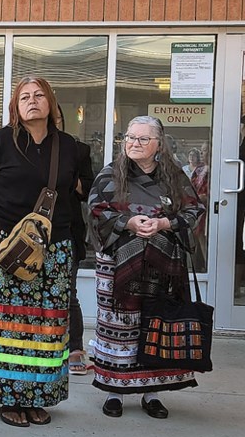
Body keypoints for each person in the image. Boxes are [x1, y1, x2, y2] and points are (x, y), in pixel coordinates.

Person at [0, 76, 79, 427]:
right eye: (24, 97)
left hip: (54, 250)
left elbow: (75, 197)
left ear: (52, 103)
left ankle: (38, 397)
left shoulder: (71, 146)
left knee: (47, 326)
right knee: (8, 325)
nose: (32, 101)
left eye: (39, 95)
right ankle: (10, 398)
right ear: (15, 106)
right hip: (5, 251)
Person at [87, 116, 205, 419]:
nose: (134, 144)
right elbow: (95, 209)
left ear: (158, 145)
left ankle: (151, 393)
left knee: (155, 324)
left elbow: (194, 209)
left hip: (162, 266)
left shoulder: (175, 177)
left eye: (142, 139)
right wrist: (127, 221)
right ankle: (114, 390)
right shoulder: (110, 174)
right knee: (118, 328)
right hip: (118, 266)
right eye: (130, 138)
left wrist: (164, 222)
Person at [55, 105, 94, 375]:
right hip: (32, 233)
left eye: (56, 117)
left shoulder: (78, 150)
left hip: (68, 229)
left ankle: (75, 348)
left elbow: (87, 189)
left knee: (68, 293)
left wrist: (65, 174)